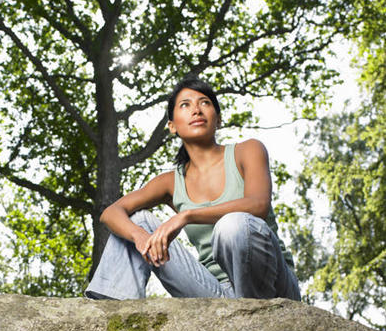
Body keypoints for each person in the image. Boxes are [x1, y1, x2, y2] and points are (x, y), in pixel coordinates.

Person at [85, 77, 301, 301]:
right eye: (185, 105)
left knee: (233, 224)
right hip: (218, 293)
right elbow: (110, 213)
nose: (196, 110)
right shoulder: (171, 182)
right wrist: (141, 238)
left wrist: (186, 216)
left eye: (205, 103)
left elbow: (258, 205)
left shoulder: (247, 150)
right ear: (172, 126)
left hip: (272, 286)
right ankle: (110, 313)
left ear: (218, 119)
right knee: (136, 221)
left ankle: (256, 317)